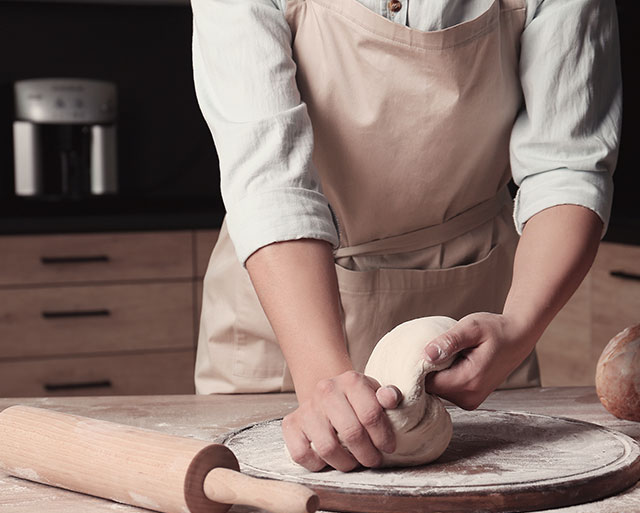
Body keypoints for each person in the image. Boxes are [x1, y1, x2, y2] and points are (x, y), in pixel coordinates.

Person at [191, 0, 621, 472]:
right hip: (285, 315)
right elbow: (271, 182)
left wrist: (517, 327)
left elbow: (567, 165)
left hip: (474, 324)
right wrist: (321, 379)